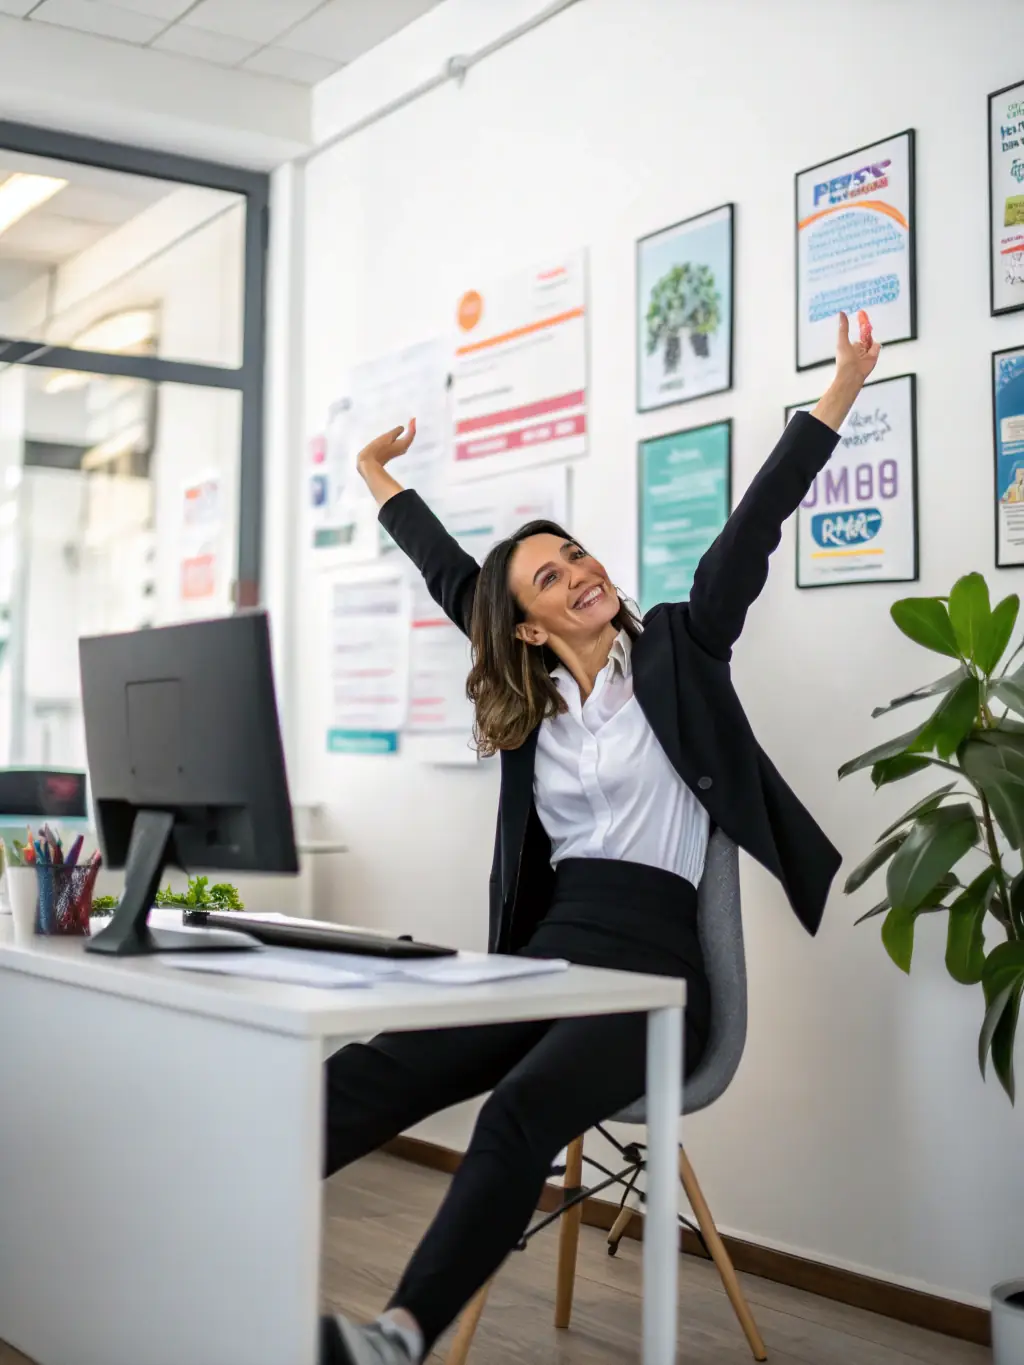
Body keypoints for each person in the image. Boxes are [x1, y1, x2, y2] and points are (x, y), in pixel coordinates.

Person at [320, 311, 880, 1365]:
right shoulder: (536, 711)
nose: (579, 572)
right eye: (549, 577)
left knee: (517, 1113)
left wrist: (839, 391)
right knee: (369, 1073)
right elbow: (455, 577)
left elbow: (750, 530)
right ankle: (187, 1219)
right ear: (527, 628)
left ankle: (395, 1340)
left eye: (574, 555)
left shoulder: (677, 647)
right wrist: (373, 475)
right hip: (545, 960)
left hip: (652, 973)